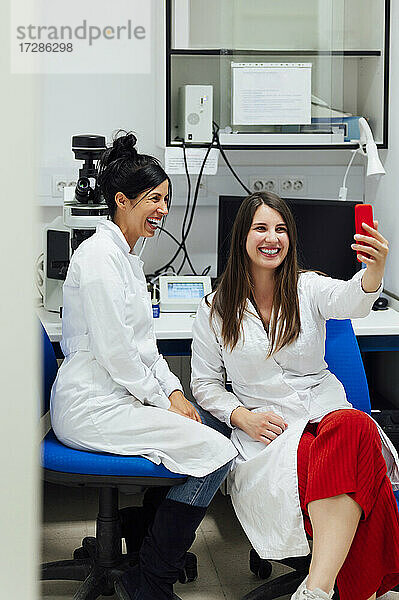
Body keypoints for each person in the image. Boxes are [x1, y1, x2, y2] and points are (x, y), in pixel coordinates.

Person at [50, 131, 237, 600]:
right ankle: (151, 579)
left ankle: (141, 537)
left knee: (204, 429)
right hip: (91, 404)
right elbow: (117, 357)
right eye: (155, 199)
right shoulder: (98, 260)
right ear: (121, 201)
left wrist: (174, 393)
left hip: (113, 394)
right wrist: (164, 401)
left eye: (167, 200)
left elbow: (145, 349)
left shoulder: (126, 259)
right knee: (216, 453)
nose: (164, 210)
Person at [191, 191, 399, 600]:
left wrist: (373, 273)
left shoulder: (308, 287)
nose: (273, 238)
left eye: (281, 229)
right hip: (269, 430)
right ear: (242, 238)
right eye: (261, 228)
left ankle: (316, 589)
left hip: (326, 413)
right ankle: (361, 588)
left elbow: (352, 300)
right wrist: (240, 416)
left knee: (352, 425)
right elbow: (204, 384)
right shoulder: (215, 307)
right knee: (354, 463)